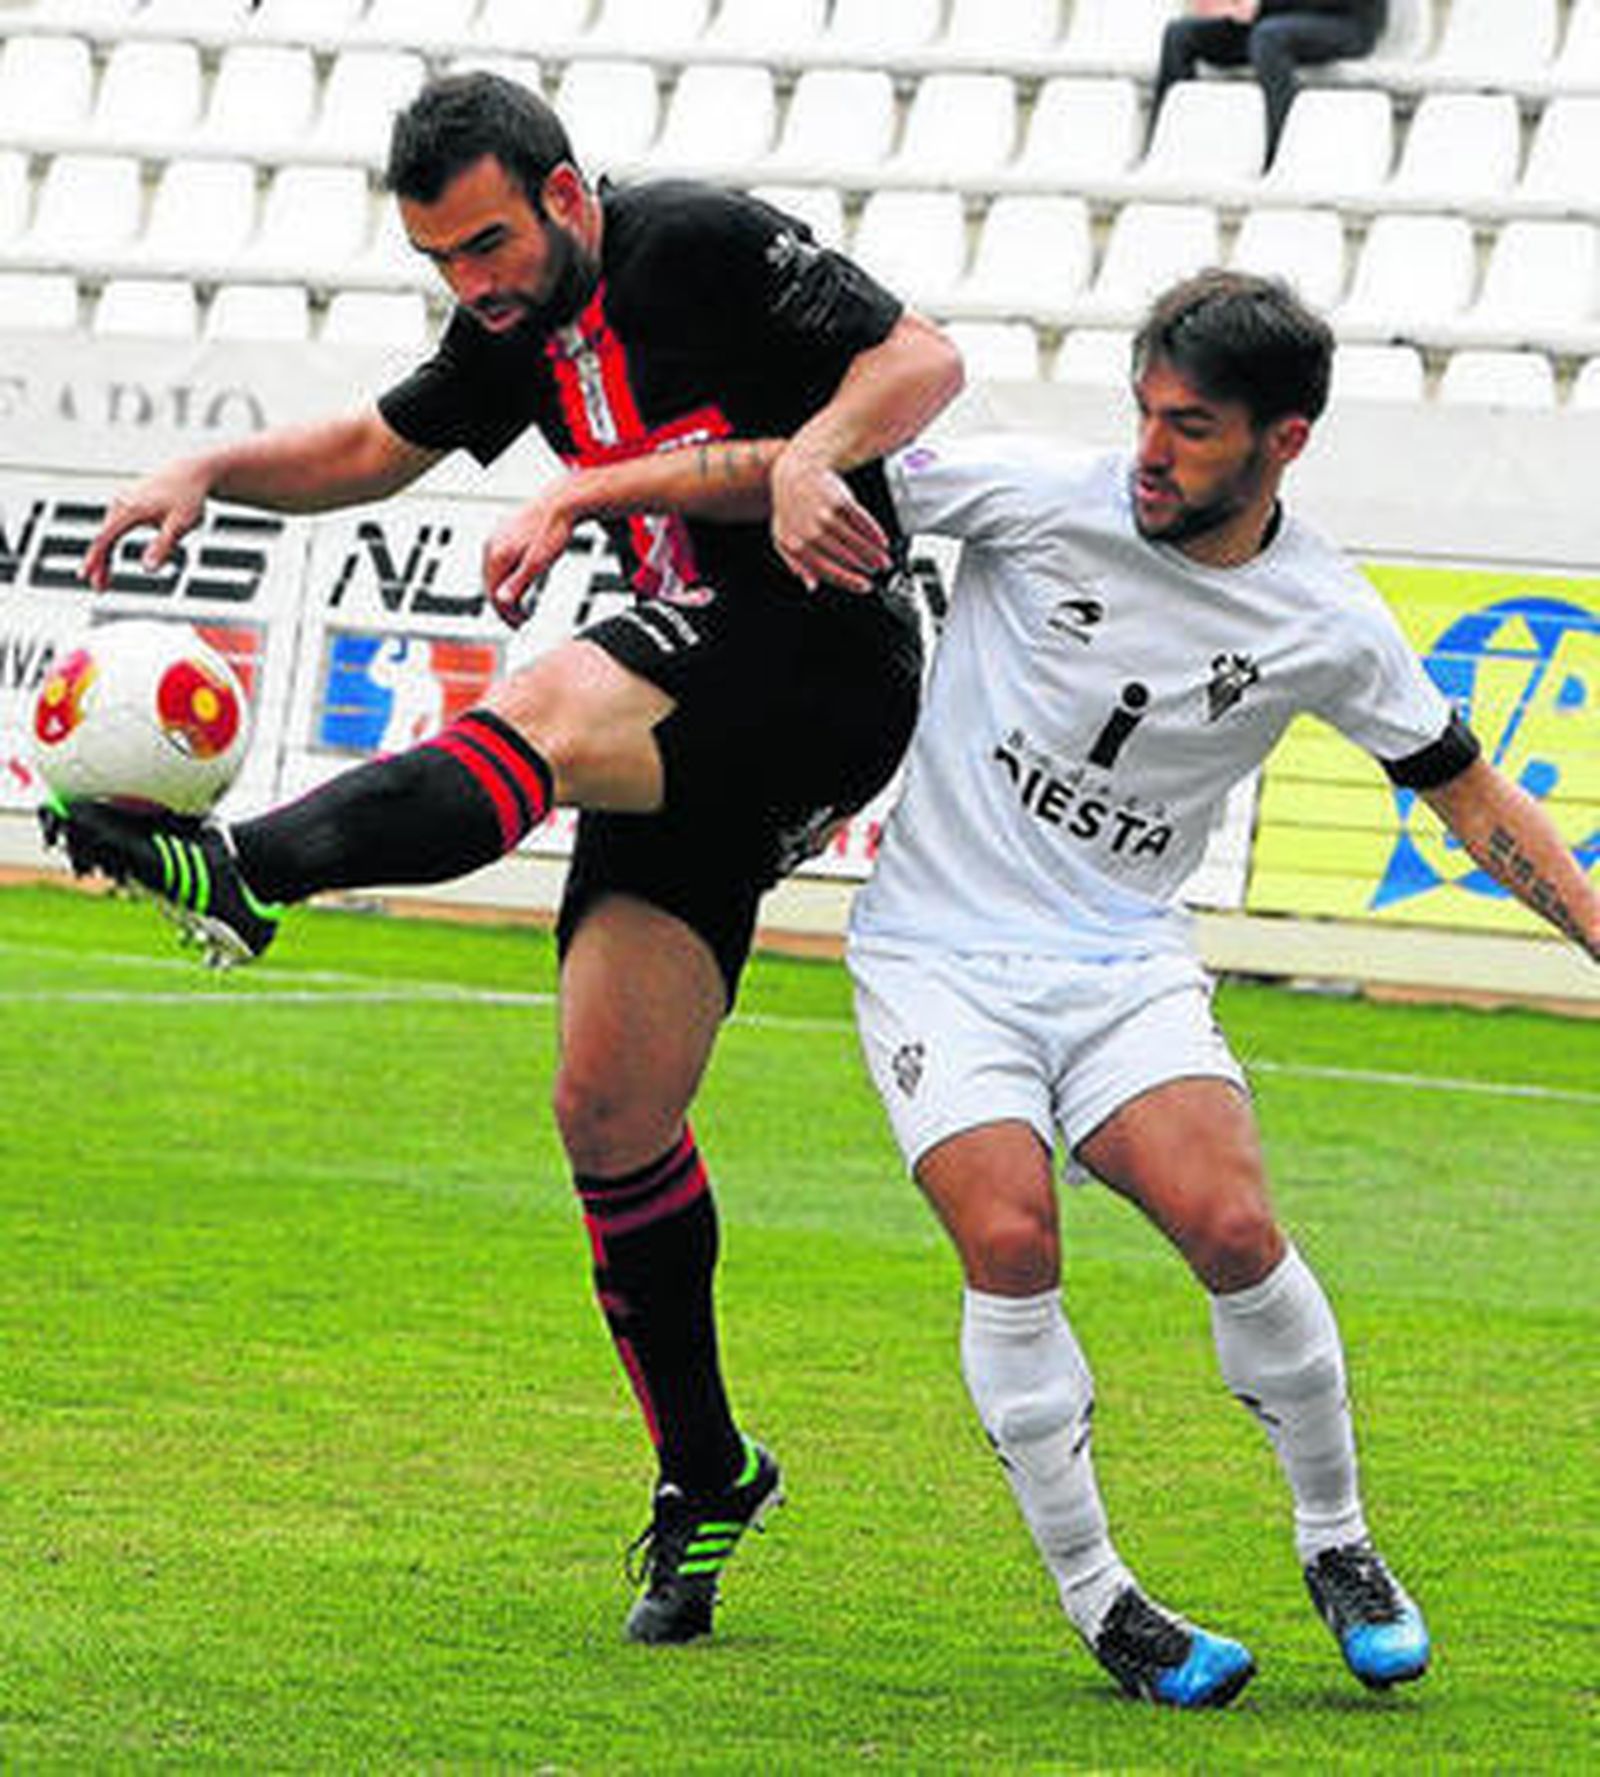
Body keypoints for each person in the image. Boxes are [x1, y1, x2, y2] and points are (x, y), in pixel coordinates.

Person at [45, 71, 963, 1645]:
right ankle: (708, 1469)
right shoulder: (509, 331)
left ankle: (250, 869)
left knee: (544, 706)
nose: (471, 283)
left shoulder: (695, 243)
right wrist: (207, 471)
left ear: (566, 195)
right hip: (693, 702)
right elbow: (371, 447)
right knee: (609, 1110)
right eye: (440, 261)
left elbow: (921, 357)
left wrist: (813, 454)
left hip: (824, 657)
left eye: (486, 244)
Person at [843, 271, 1599, 1705]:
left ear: (1282, 441)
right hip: (937, 951)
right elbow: (815, 475)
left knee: (1234, 1224)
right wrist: (637, 489)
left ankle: (1339, 1539)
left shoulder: (1326, 617)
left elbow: (1467, 793)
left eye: (1190, 427)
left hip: (1120, 959)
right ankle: (1103, 1599)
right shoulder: (1028, 494)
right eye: (1143, 412)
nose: (1148, 450)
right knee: (1010, 1234)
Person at [1152, 0, 1387, 164]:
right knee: (1179, 35)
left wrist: (1261, 4)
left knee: (1269, 38)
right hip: (1272, 19)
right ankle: (1168, 146)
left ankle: (1281, 153)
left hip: (1345, 22)